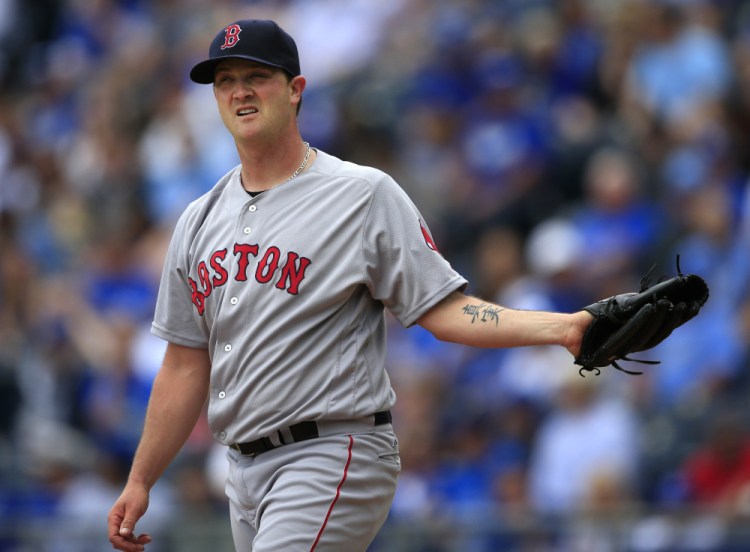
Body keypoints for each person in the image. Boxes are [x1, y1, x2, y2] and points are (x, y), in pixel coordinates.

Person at [107, 19, 593, 552]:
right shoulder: (198, 221)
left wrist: (564, 327)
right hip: (241, 470)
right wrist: (140, 479)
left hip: (332, 450)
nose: (239, 91)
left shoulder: (361, 194)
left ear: (296, 90)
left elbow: (444, 311)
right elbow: (183, 363)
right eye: (224, 80)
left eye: (256, 76)